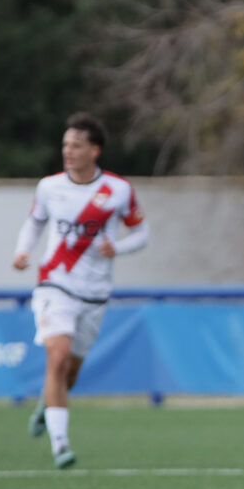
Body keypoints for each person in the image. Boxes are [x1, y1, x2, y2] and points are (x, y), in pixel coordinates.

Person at [12, 112, 149, 468]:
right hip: (55, 283)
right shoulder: (49, 187)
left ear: (95, 150)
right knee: (56, 358)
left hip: (95, 292)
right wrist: (22, 251)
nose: (68, 151)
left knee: (69, 372)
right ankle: (61, 445)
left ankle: (48, 403)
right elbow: (34, 223)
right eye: (65, 145)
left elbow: (142, 233)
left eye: (76, 145)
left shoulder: (118, 190)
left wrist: (116, 248)